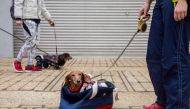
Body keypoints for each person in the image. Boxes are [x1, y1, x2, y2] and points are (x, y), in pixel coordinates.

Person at [139, 0, 190, 109]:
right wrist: (148, 1)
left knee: (175, 58)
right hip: (160, 3)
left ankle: (177, 106)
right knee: (154, 58)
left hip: (175, 2)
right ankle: (162, 102)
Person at [13, 0, 55, 72]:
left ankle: (30, 65)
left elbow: (43, 8)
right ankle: (17, 61)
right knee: (30, 42)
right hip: (27, 19)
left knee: (36, 43)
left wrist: (49, 19)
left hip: (37, 20)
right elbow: (18, 3)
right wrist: (18, 17)